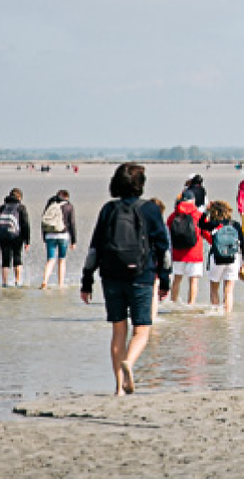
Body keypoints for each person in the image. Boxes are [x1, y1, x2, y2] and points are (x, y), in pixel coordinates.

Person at [79, 163, 172, 395]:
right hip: (142, 276)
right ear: (140, 185)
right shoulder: (150, 209)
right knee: (141, 330)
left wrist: (86, 281)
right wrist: (165, 280)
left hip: (111, 277)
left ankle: (119, 388)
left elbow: (94, 249)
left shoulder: (108, 209)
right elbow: (164, 250)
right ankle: (130, 363)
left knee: (118, 331)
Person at [203, 200, 244, 313]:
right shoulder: (235, 224)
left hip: (216, 258)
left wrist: (206, 211)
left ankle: (215, 312)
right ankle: (227, 315)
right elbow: (243, 243)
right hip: (233, 258)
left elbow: (200, 224)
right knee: (229, 290)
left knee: (214, 288)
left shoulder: (213, 224)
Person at [166, 192, 204, 305]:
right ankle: (191, 305)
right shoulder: (198, 215)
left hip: (178, 253)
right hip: (195, 253)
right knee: (193, 280)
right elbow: (207, 232)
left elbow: (168, 232)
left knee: (177, 279)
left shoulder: (173, 216)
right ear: (193, 201)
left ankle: (173, 302)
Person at [39, 189, 78, 289]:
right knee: (62, 260)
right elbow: (72, 224)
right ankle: (60, 283)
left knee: (50, 260)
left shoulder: (50, 205)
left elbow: (44, 221)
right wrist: (73, 240)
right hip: (63, 235)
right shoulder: (69, 206)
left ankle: (45, 281)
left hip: (50, 235)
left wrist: (44, 236)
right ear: (66, 197)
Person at [0, 188, 30, 287]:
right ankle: (17, 282)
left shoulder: (2, 207)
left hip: (3, 236)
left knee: (5, 259)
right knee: (17, 257)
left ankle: (4, 283)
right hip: (16, 236)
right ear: (19, 197)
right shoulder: (21, 207)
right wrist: (27, 241)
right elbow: (25, 224)